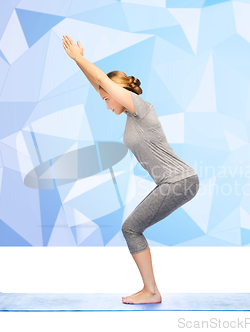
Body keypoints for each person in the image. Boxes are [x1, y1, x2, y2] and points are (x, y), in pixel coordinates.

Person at [62, 35, 199, 304]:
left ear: (117, 93)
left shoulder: (142, 109)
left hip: (179, 180)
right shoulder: (129, 115)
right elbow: (98, 83)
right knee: (132, 228)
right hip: (174, 182)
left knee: (131, 228)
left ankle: (151, 291)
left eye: (106, 99)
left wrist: (79, 58)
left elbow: (103, 82)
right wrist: (78, 62)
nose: (105, 104)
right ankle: (150, 290)